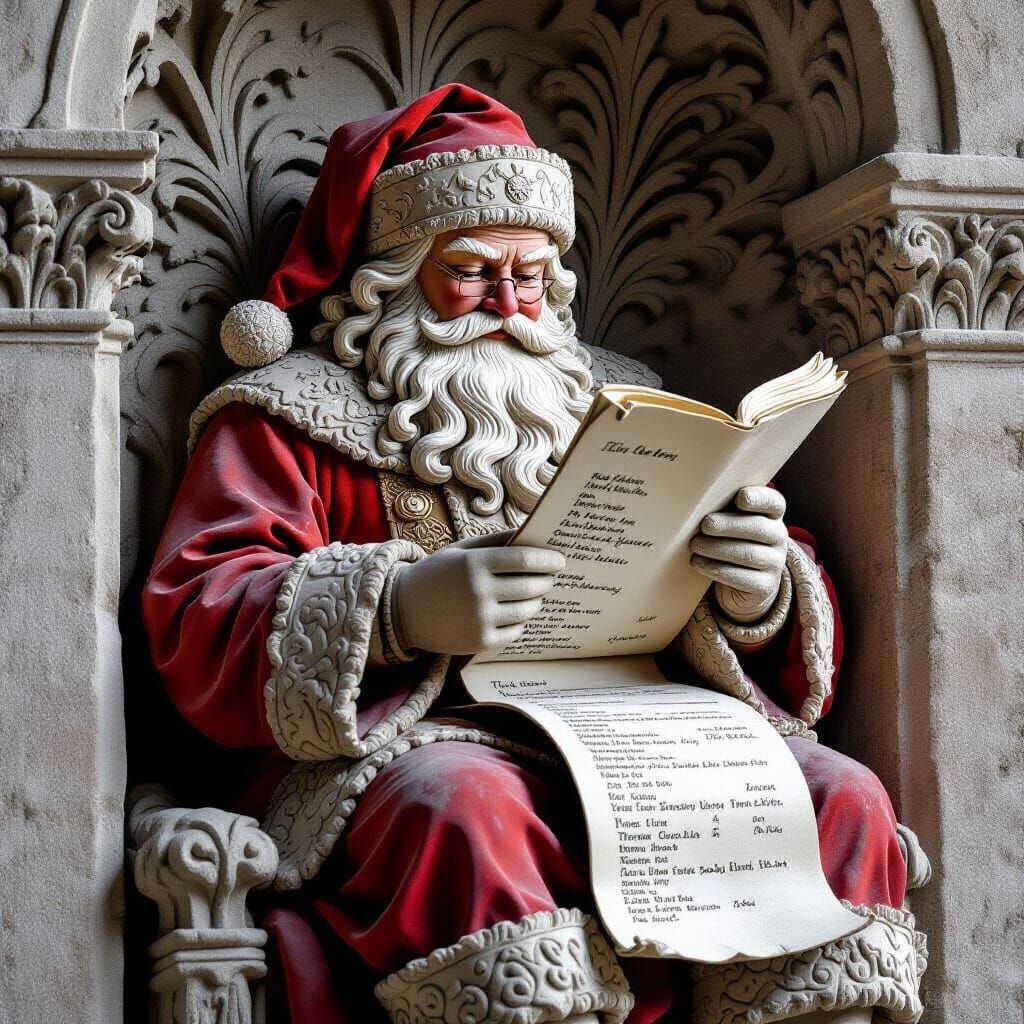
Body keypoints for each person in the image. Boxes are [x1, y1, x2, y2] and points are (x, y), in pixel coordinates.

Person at [143, 84, 925, 1024]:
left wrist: (755, 589)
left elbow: (740, 580)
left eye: (532, 276)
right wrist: (401, 609)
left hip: (641, 734)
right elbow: (201, 606)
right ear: (395, 277)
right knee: (464, 807)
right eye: (472, 272)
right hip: (418, 744)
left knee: (838, 795)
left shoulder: (622, 400)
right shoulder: (290, 415)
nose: (509, 305)